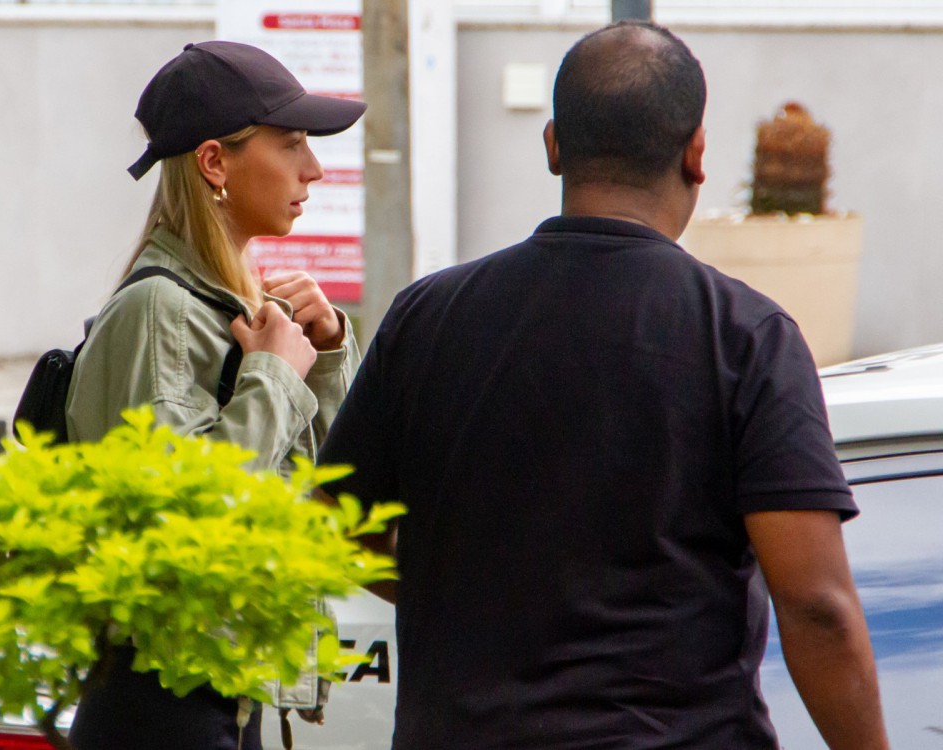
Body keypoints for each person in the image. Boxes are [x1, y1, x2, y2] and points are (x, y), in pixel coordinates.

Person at [317, 21, 889, 750]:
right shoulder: (745, 335)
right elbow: (815, 606)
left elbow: (331, 526)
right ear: (696, 154)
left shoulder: (428, 318)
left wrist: (462, 597)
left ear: (554, 144)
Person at [64, 40, 365, 750]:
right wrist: (273, 378)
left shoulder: (223, 308)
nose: (314, 169)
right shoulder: (159, 311)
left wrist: (319, 359)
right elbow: (182, 522)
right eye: (291, 144)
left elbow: (324, 501)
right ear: (213, 162)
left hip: (218, 697)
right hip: (164, 705)